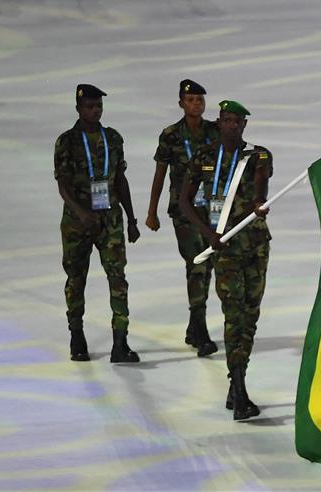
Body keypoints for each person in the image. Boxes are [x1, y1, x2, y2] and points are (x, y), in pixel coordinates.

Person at [180, 100, 272, 421]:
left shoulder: (258, 156)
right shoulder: (205, 158)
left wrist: (259, 201)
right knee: (233, 315)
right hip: (226, 250)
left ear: (244, 125)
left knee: (250, 314)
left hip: (256, 247)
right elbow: (185, 200)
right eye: (226, 120)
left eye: (237, 121)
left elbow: (261, 183)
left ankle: (237, 383)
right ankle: (240, 385)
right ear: (218, 122)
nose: (231, 125)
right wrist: (207, 233)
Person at [54, 84, 141, 363]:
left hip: (110, 219)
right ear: (79, 108)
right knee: (76, 277)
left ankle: (120, 341)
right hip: (77, 222)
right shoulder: (67, 141)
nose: (95, 111)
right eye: (90, 106)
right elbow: (63, 185)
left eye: (98, 106)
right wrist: (80, 213)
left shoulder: (113, 138)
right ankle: (76, 336)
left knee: (118, 279)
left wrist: (131, 218)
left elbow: (119, 180)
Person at [146, 79, 220, 356]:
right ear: (181, 103)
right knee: (196, 264)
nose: (196, 104)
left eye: (200, 99)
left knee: (207, 265)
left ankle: (193, 326)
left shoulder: (214, 131)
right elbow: (160, 174)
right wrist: (151, 211)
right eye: (190, 100)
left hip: (211, 209)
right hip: (184, 210)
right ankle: (200, 330)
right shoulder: (171, 135)